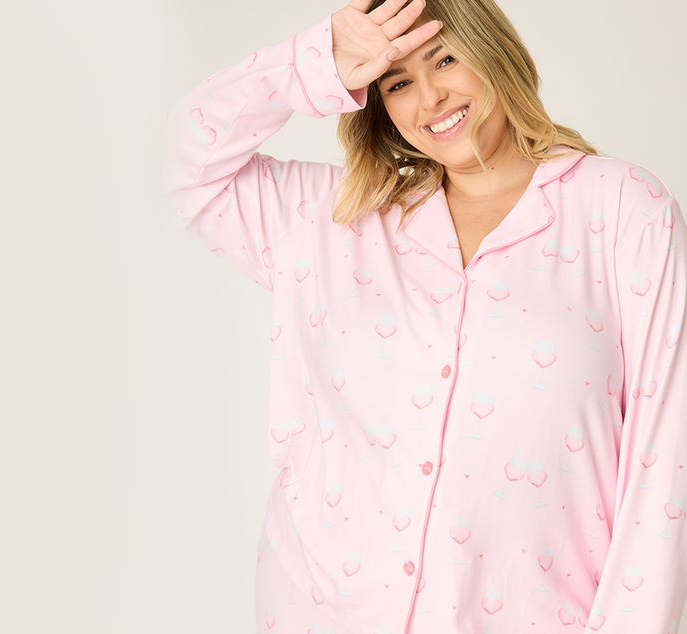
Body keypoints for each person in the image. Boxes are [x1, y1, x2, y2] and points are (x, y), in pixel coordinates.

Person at [166, 0, 686, 630]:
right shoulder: (332, 218)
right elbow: (184, 162)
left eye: (445, 58)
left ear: (491, 51)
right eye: (398, 82)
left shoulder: (624, 209)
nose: (432, 96)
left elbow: (666, 455)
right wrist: (315, 60)